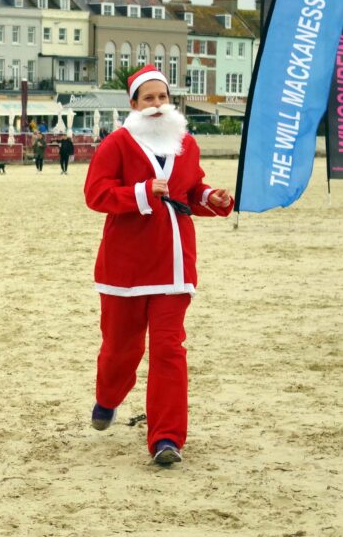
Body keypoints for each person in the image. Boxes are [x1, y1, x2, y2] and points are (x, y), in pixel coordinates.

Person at [83, 64, 233, 466]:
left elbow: (192, 188)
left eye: (162, 97)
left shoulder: (185, 142)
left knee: (169, 350)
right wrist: (142, 191)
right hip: (125, 268)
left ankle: (166, 438)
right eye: (148, 98)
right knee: (121, 349)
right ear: (133, 104)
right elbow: (95, 194)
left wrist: (211, 198)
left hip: (174, 266)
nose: (156, 105)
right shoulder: (116, 143)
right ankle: (108, 397)